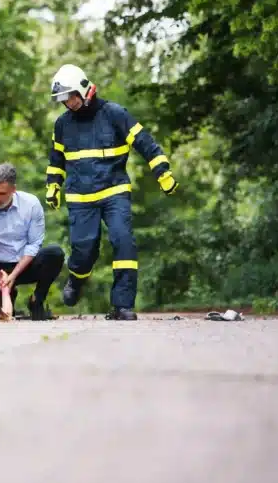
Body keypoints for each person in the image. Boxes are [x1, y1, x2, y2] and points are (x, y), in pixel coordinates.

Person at [46, 63, 179, 321]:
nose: (68, 103)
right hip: (80, 197)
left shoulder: (115, 114)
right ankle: (77, 278)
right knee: (84, 251)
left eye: (71, 97)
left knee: (123, 240)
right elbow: (56, 159)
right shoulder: (62, 125)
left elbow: (145, 143)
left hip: (114, 191)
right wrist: (53, 185)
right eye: (63, 99)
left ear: (85, 91)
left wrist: (162, 171)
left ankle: (122, 305)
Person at [0, 162, 64, 321]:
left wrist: (13, 275)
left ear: (13, 190)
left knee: (55, 253)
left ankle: (37, 300)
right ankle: (10, 296)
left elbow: (34, 245)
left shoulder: (31, 204)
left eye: (2, 193)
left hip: (26, 263)